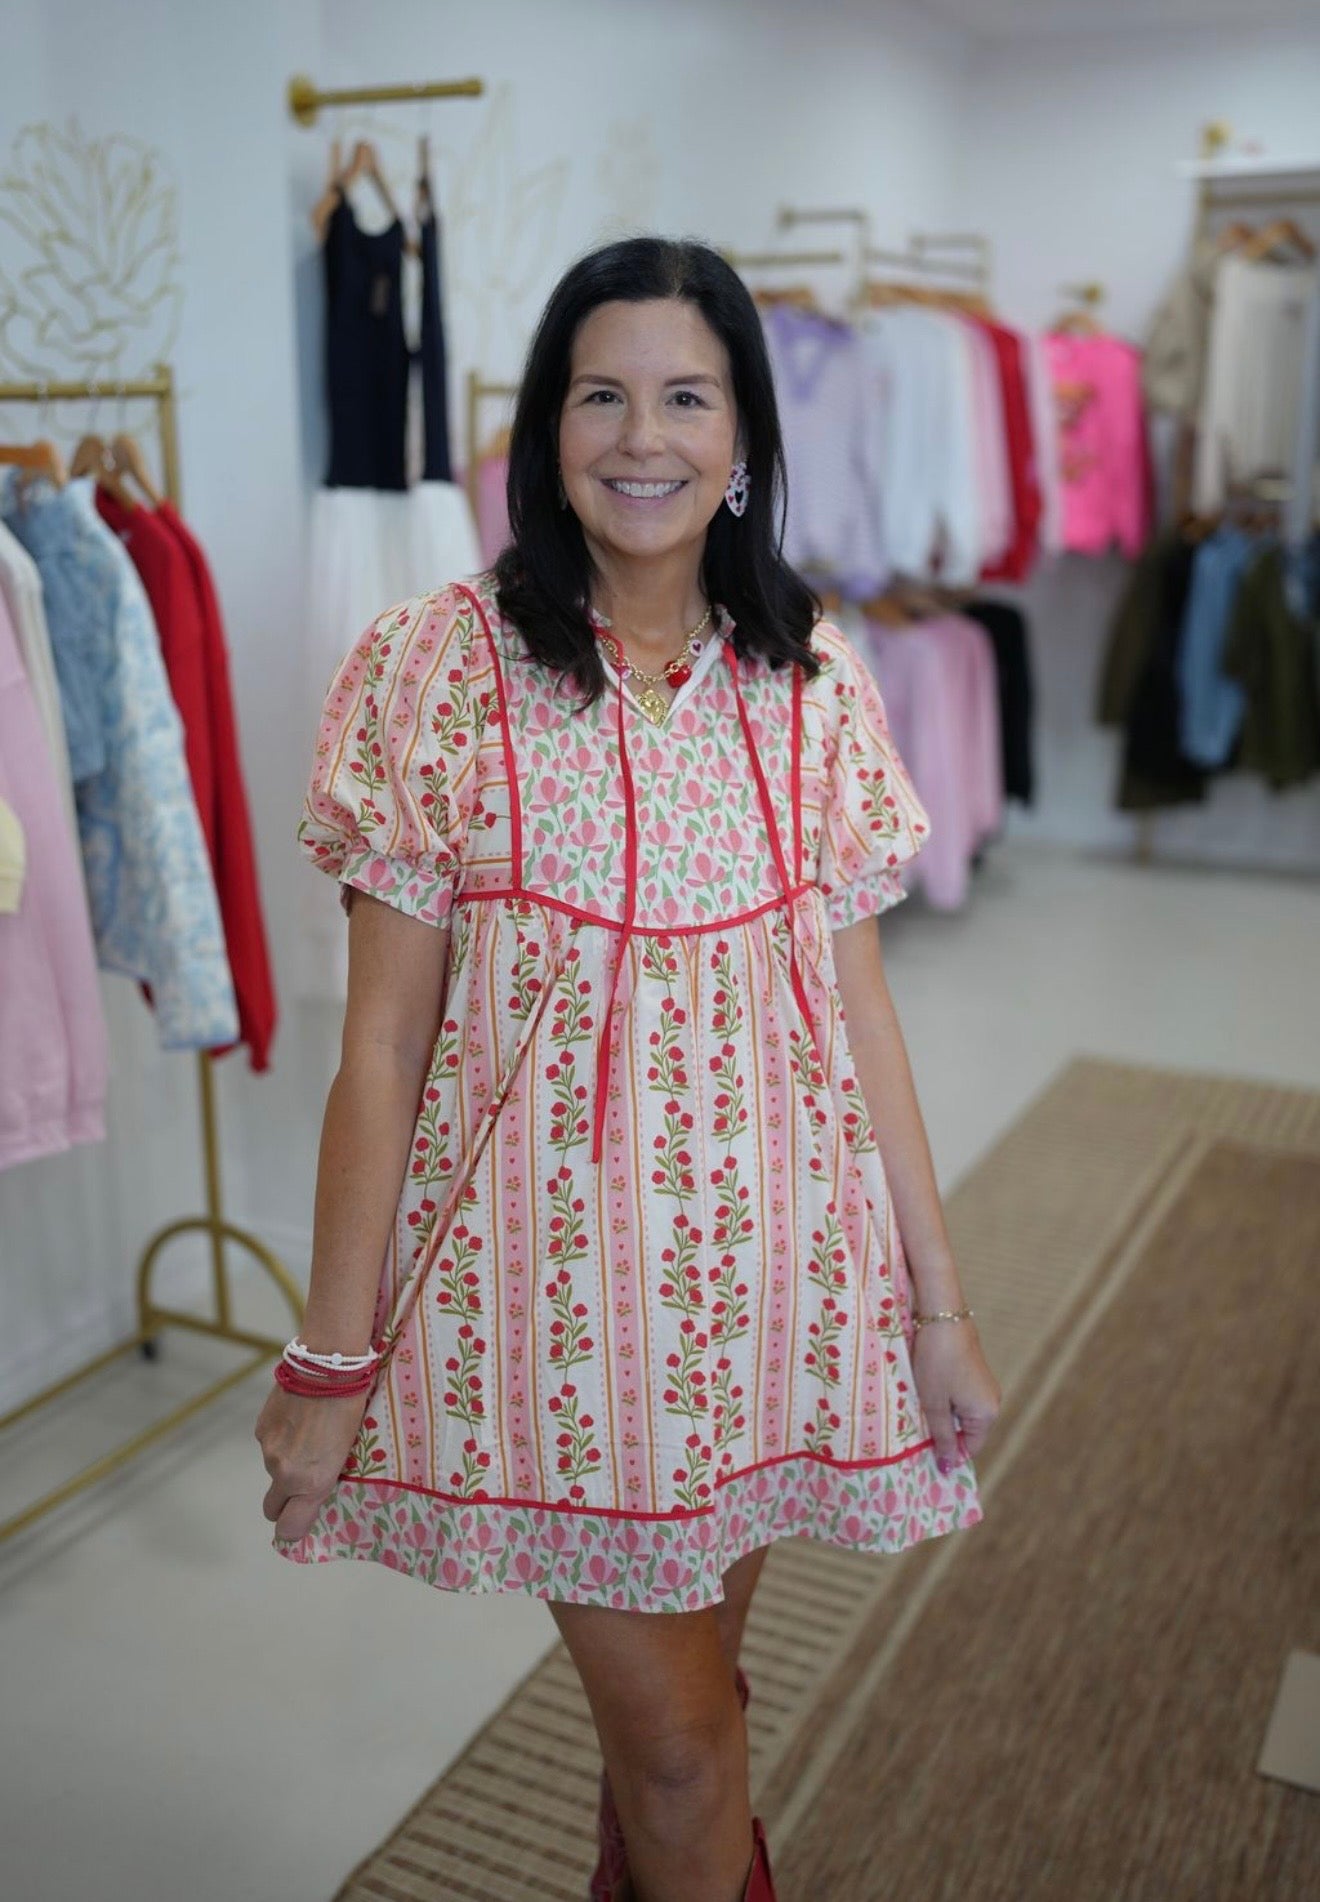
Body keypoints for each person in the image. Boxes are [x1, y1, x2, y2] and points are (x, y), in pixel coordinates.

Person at [257, 236, 1001, 1902]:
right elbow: (379, 1043)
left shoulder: (812, 676)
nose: (643, 437)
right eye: (603, 395)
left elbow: (860, 1013)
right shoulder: (431, 669)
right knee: (675, 1745)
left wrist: (934, 1304)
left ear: (743, 439)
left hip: (775, 1298)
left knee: (691, 1717)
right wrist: (328, 1351)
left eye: (687, 396)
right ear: (545, 425)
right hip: (546, 1319)